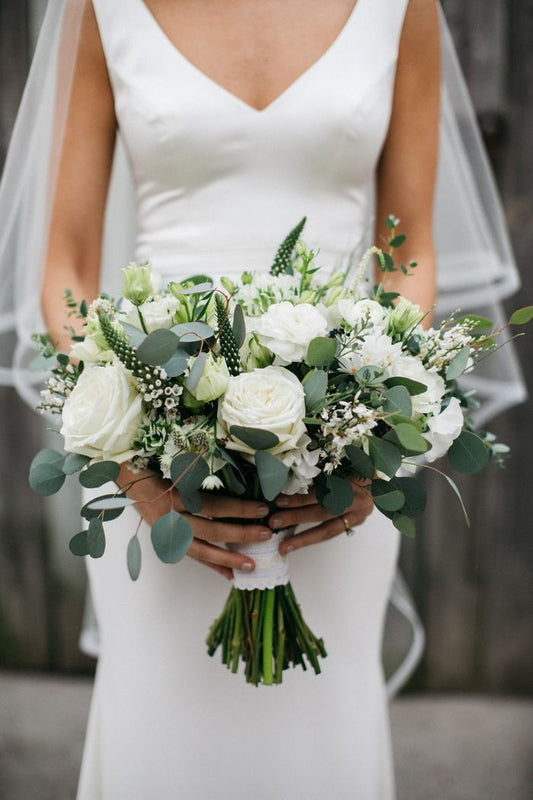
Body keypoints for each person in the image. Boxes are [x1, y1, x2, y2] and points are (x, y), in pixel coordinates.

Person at [0, 1, 525, 798]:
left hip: (338, 467)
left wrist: (368, 424)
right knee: (162, 738)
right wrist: (134, 461)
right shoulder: (99, 7)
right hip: (154, 462)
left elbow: (409, 249)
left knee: (320, 743)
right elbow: (66, 267)